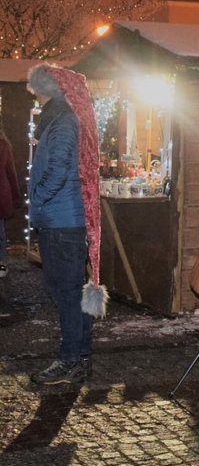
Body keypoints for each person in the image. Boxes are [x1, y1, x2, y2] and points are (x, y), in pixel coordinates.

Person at [27, 64, 106, 385]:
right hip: (64, 218)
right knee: (72, 291)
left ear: (40, 89)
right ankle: (79, 356)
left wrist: (37, 199)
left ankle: (71, 358)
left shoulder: (61, 120)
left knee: (66, 293)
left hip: (61, 221)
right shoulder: (62, 117)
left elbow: (58, 168)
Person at [0, 123, 22, 278]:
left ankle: (1, 261)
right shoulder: (4, 146)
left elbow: (10, 172)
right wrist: (15, 196)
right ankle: (1, 262)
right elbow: (11, 172)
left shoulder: (4, 146)